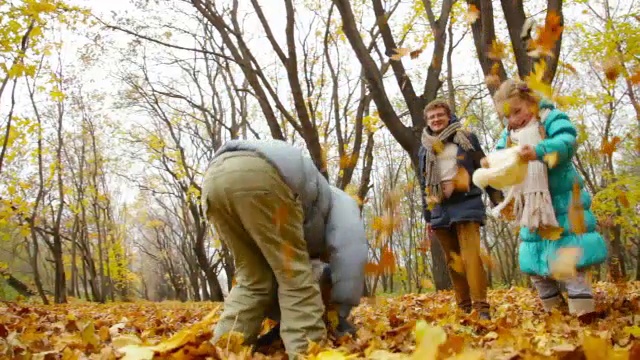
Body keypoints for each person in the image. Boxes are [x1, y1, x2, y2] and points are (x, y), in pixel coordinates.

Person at [200, 138, 368, 359]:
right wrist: (341, 313)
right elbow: (351, 259)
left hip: (214, 180)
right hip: (261, 175)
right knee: (295, 276)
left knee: (252, 280)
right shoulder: (342, 202)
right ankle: (306, 352)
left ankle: (223, 350)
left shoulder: (313, 203)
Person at [489, 79, 608, 317]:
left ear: (530, 101)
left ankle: (583, 315)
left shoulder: (550, 117)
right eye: (507, 117)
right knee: (535, 263)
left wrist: (539, 151)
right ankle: (554, 314)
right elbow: (501, 156)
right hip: (532, 208)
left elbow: (567, 141)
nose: (514, 120)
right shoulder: (509, 134)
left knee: (571, 261)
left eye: (518, 111)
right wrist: (495, 166)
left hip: (564, 202)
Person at [417, 99, 502, 320]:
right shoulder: (425, 148)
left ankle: (482, 308)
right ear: (427, 121)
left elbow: (484, 167)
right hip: (439, 208)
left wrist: (498, 200)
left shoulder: (465, 137)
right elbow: (422, 181)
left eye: (440, 115)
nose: (436, 120)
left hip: (466, 201)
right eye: (432, 117)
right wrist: (428, 216)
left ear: (448, 116)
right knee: (453, 261)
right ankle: (464, 308)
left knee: (471, 257)